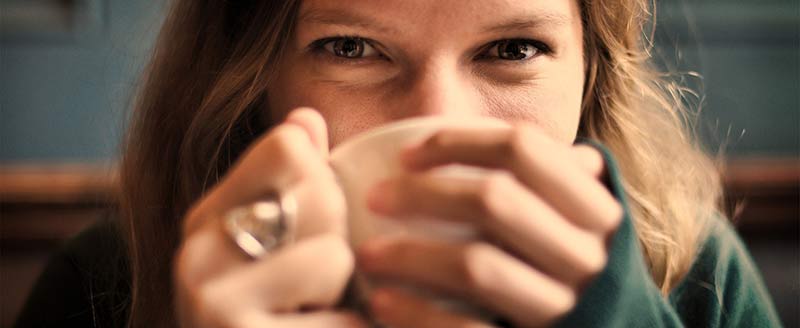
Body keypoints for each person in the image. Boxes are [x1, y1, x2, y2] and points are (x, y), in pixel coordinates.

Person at [15, 0, 782, 327]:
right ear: (253, 79)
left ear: (593, 76)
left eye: (512, 50)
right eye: (351, 48)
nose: (434, 123)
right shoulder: (109, 284)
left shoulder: (694, 278)